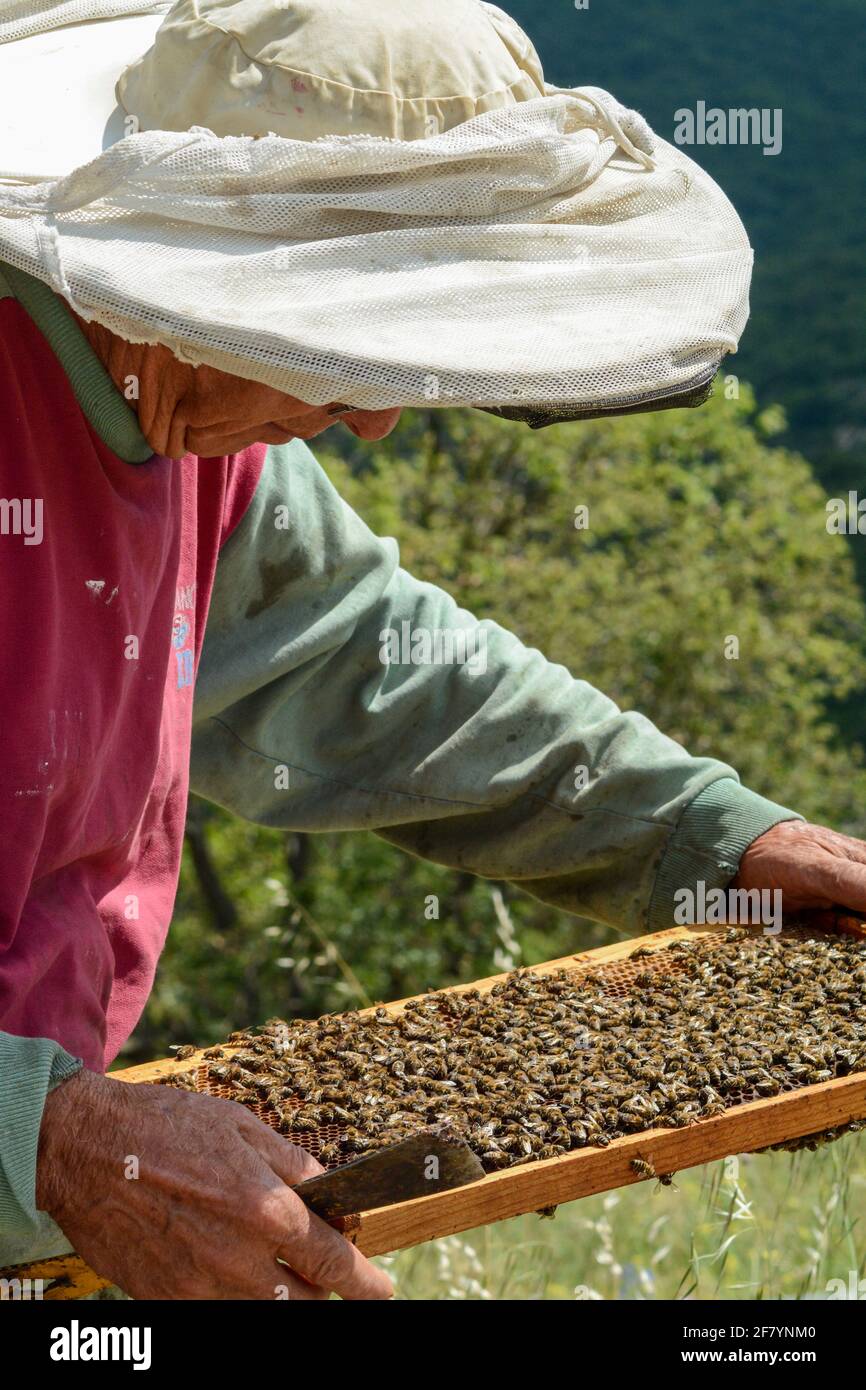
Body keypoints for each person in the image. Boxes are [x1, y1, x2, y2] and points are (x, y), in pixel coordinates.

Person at [2, 0, 865, 1301]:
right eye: (337, 339)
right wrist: (46, 1138)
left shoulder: (198, 417)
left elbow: (371, 662)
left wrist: (702, 837)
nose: (372, 416)